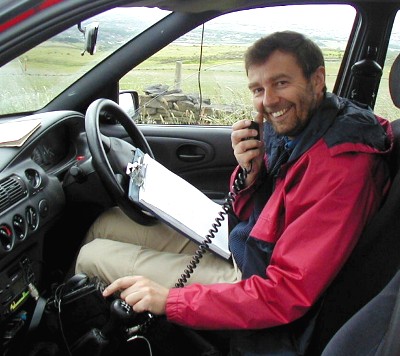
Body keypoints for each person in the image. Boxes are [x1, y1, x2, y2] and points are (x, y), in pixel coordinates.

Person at [75, 31, 393, 354]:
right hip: (248, 244)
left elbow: (285, 294)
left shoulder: (340, 166)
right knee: (106, 224)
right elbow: (261, 209)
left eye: (281, 83)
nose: (268, 101)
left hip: (256, 284)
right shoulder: (306, 126)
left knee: (92, 257)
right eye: (258, 89)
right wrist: (250, 174)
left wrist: (170, 300)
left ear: (317, 79)